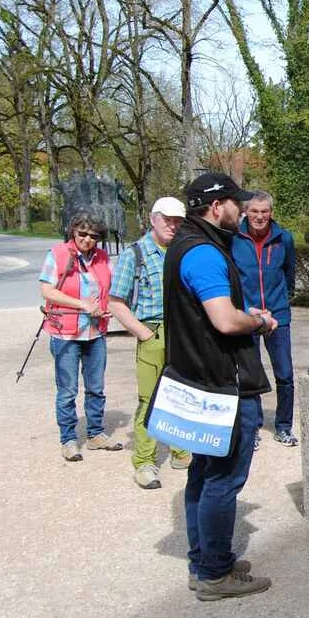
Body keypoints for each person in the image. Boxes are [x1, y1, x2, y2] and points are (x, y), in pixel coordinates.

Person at [167, 172, 275, 601]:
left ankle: (206, 561)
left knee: (203, 473)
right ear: (216, 207)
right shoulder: (204, 253)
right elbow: (225, 321)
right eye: (236, 203)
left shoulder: (185, 244)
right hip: (222, 385)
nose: (243, 210)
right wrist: (259, 321)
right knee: (223, 480)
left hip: (201, 379)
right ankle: (214, 574)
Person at [108, 197, 189, 488]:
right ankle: (144, 461)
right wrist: (143, 333)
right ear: (153, 218)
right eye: (167, 219)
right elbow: (115, 302)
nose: (173, 225)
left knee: (182, 394)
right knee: (150, 399)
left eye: (178, 220)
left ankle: (181, 450)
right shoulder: (135, 254)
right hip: (153, 331)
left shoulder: (183, 251)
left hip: (183, 333)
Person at [39, 212, 122, 462]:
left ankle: (95, 434)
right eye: (82, 234)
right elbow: (46, 290)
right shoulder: (58, 254)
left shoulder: (103, 257)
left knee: (96, 387)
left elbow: (112, 289)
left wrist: (109, 308)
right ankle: (68, 439)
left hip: (96, 332)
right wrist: (82, 304)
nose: (87, 239)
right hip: (65, 333)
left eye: (93, 236)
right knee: (67, 390)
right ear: (73, 232)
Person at [232, 190, 299, 447]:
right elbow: (231, 277)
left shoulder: (284, 238)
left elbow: (289, 273)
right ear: (246, 212)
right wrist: (245, 308)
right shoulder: (234, 238)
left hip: (278, 314)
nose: (259, 216)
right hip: (246, 315)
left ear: (271, 212)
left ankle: (284, 426)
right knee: (249, 374)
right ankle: (253, 427)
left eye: (264, 211)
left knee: (285, 374)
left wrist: (279, 302)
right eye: (254, 211)